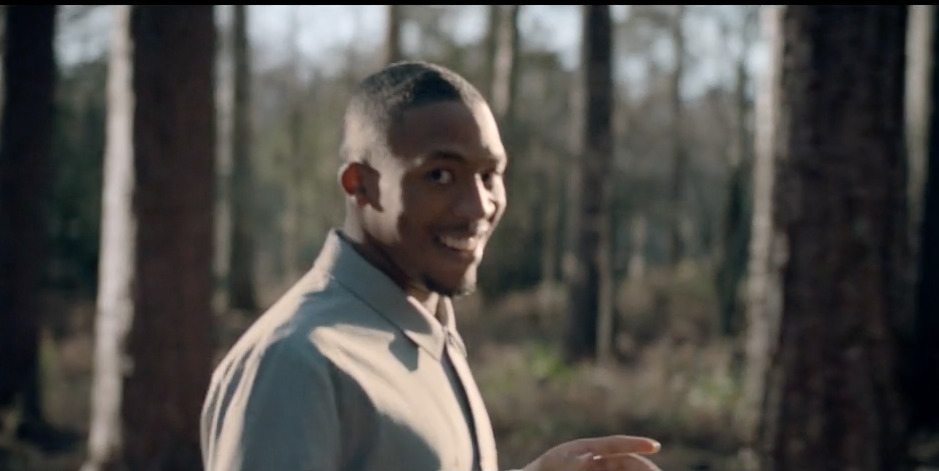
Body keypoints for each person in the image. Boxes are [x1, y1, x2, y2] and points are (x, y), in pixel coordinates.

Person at [199, 60, 663, 471]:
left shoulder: (429, 331)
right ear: (360, 186)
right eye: (439, 176)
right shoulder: (296, 364)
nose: (478, 206)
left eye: (489, 175)